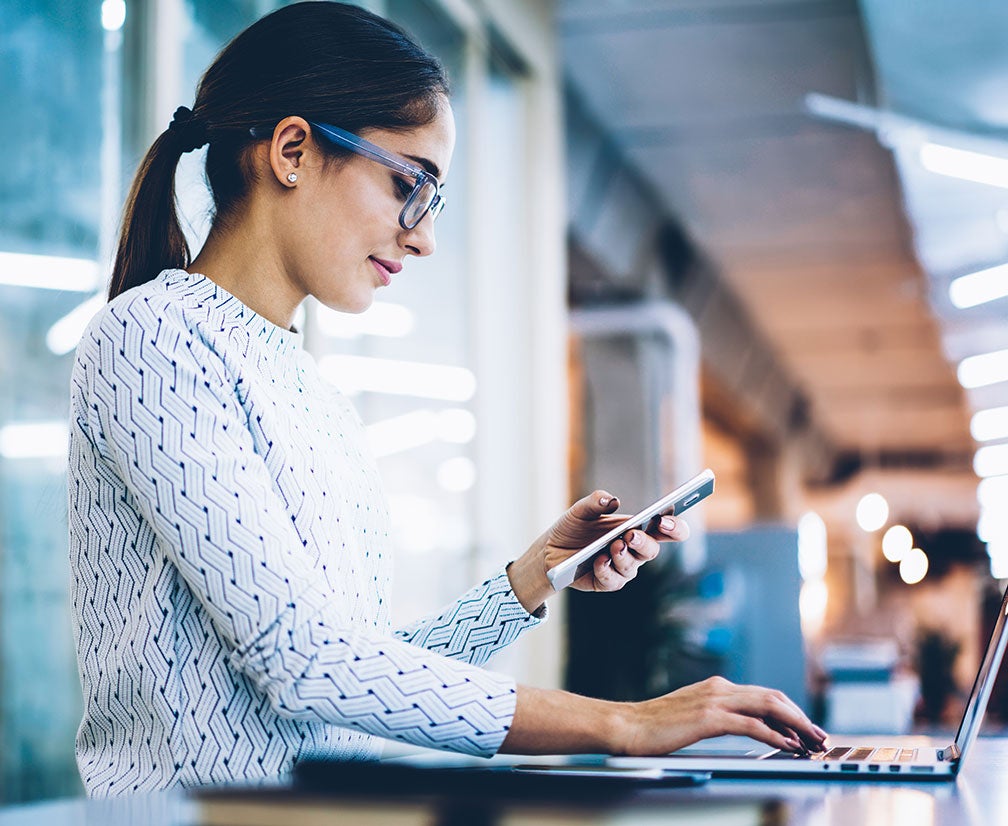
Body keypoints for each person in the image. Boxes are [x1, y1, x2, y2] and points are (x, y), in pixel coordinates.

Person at [67, 1, 825, 798]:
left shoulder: (310, 388)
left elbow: (354, 684)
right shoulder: (152, 336)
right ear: (292, 151)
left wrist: (529, 580)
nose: (423, 235)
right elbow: (303, 663)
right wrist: (623, 723)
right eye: (410, 184)